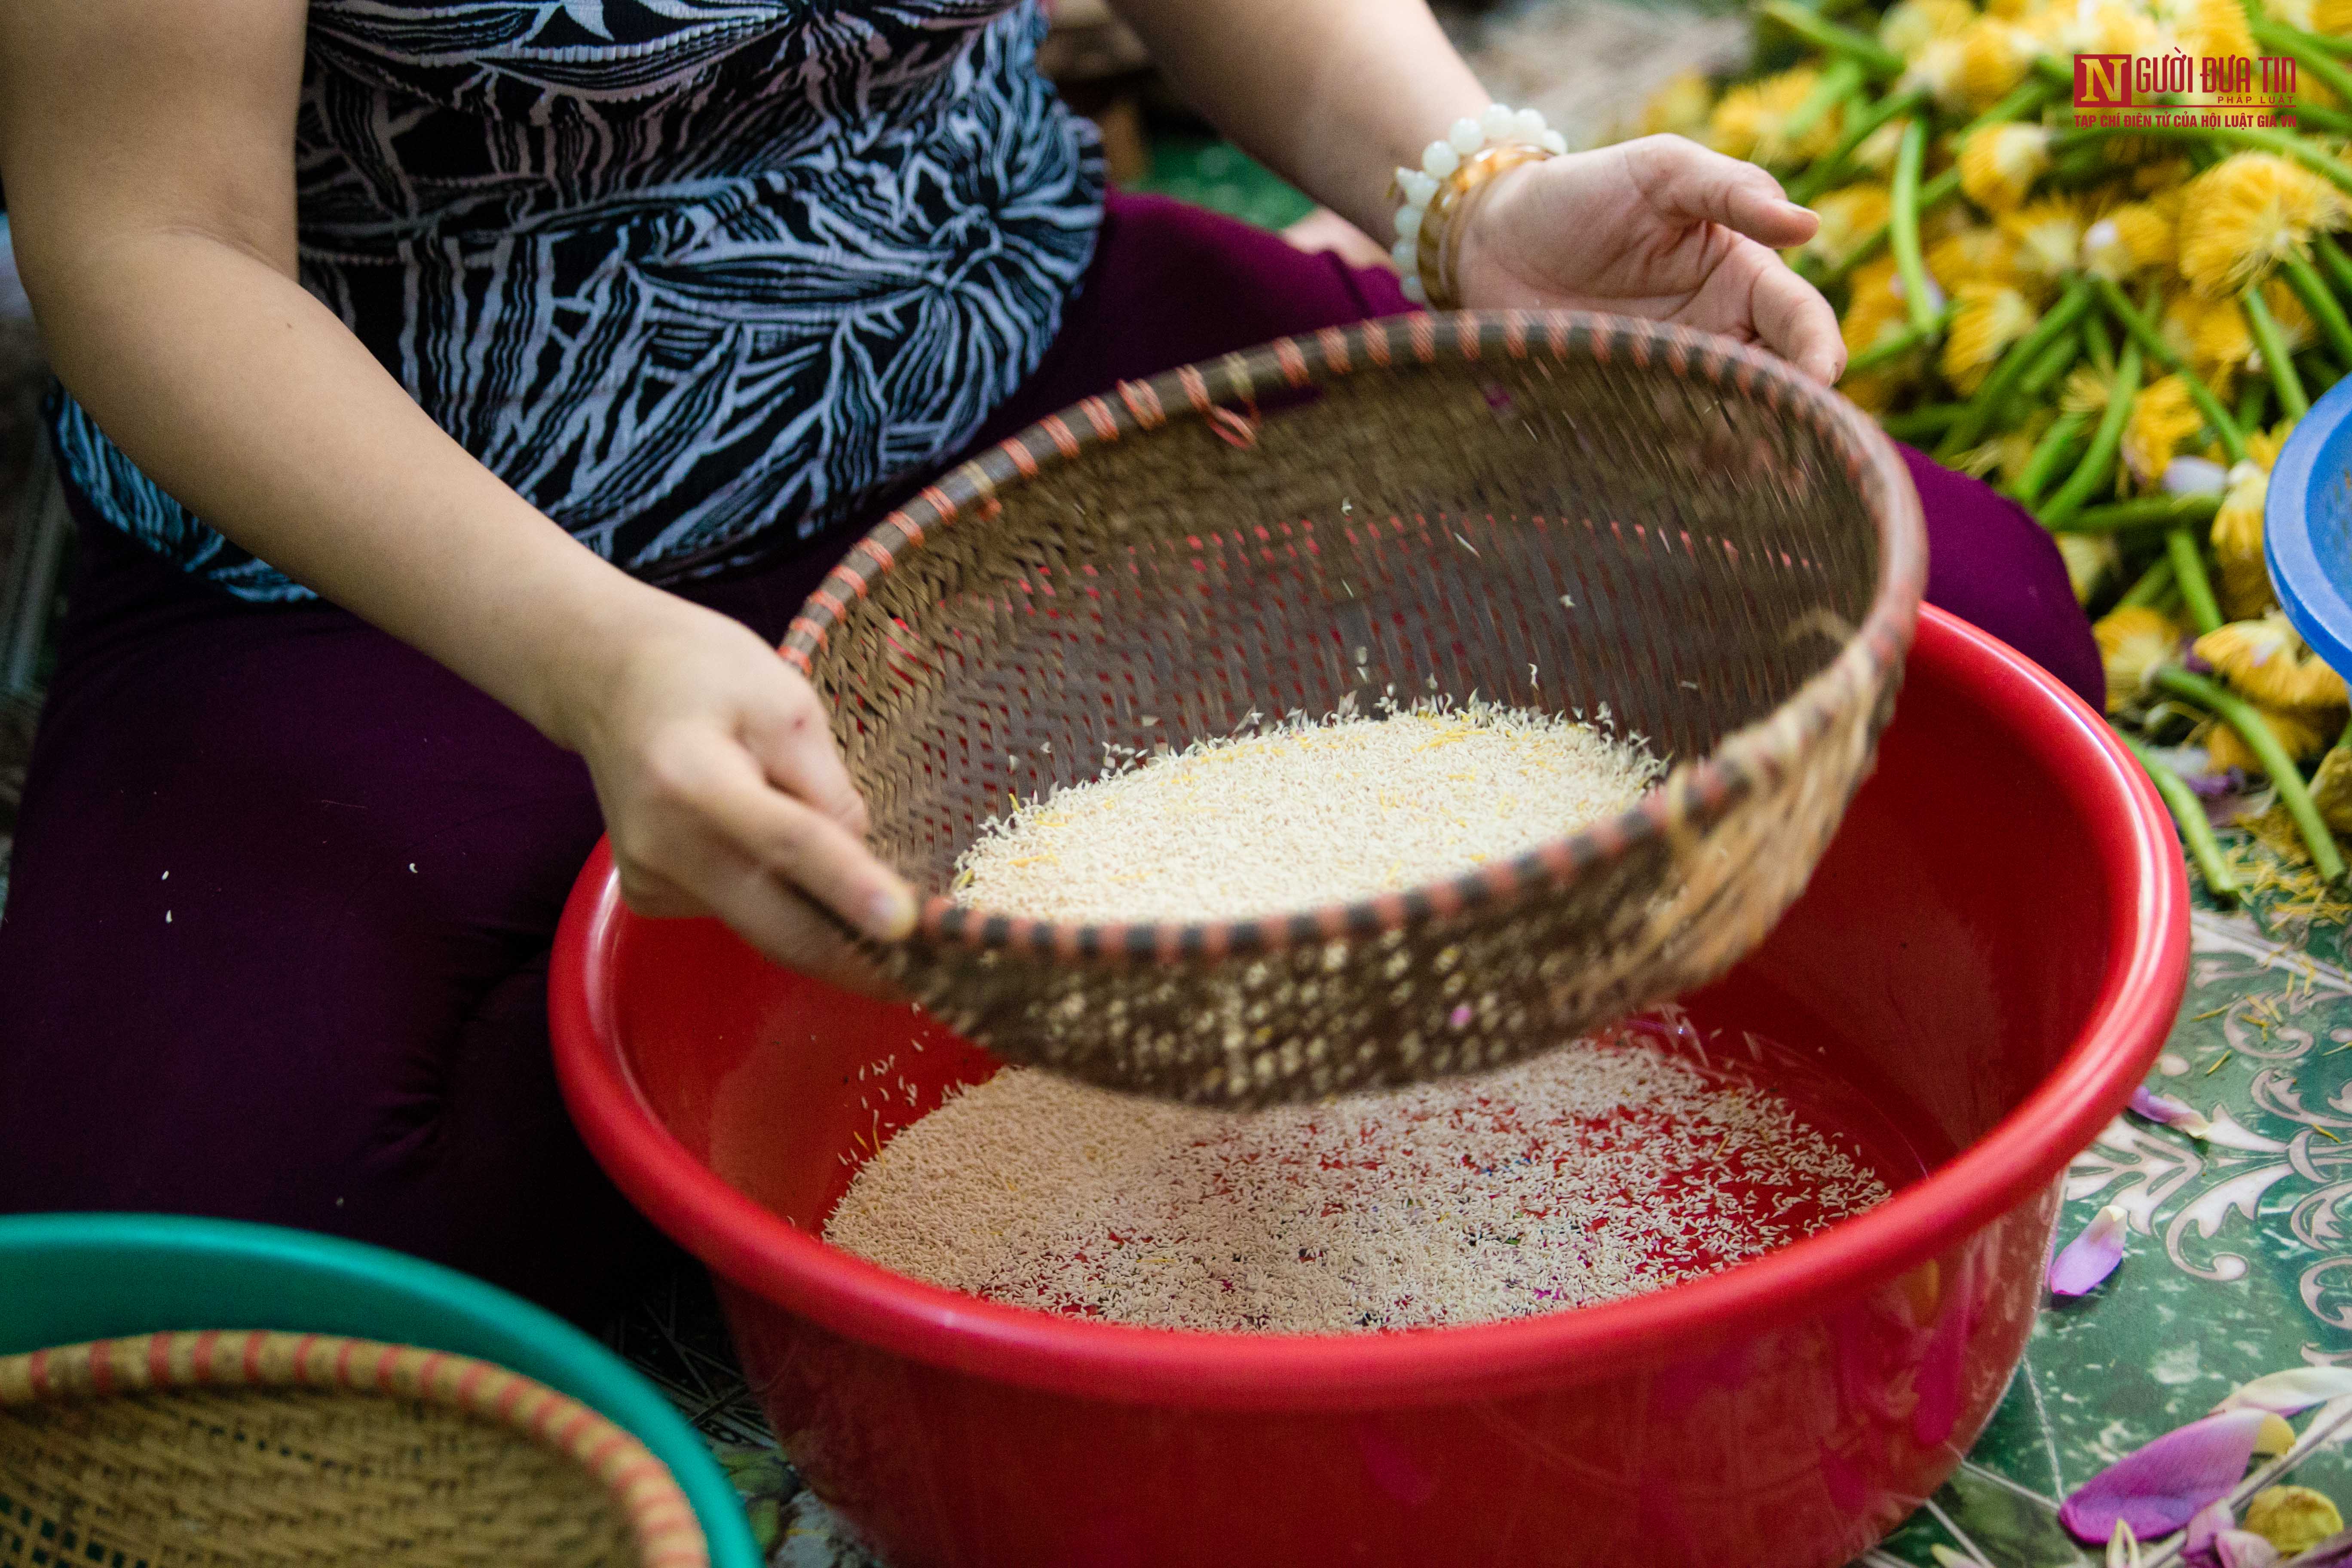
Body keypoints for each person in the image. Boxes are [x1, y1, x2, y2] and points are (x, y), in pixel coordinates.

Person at [0, 0, 2098, 1325]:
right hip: (425, 529)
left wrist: (1470, 194)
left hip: (991, 347)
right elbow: (149, 244)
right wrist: (593, 662)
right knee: (227, 1254)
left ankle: (779, 1026)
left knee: (1952, 628)